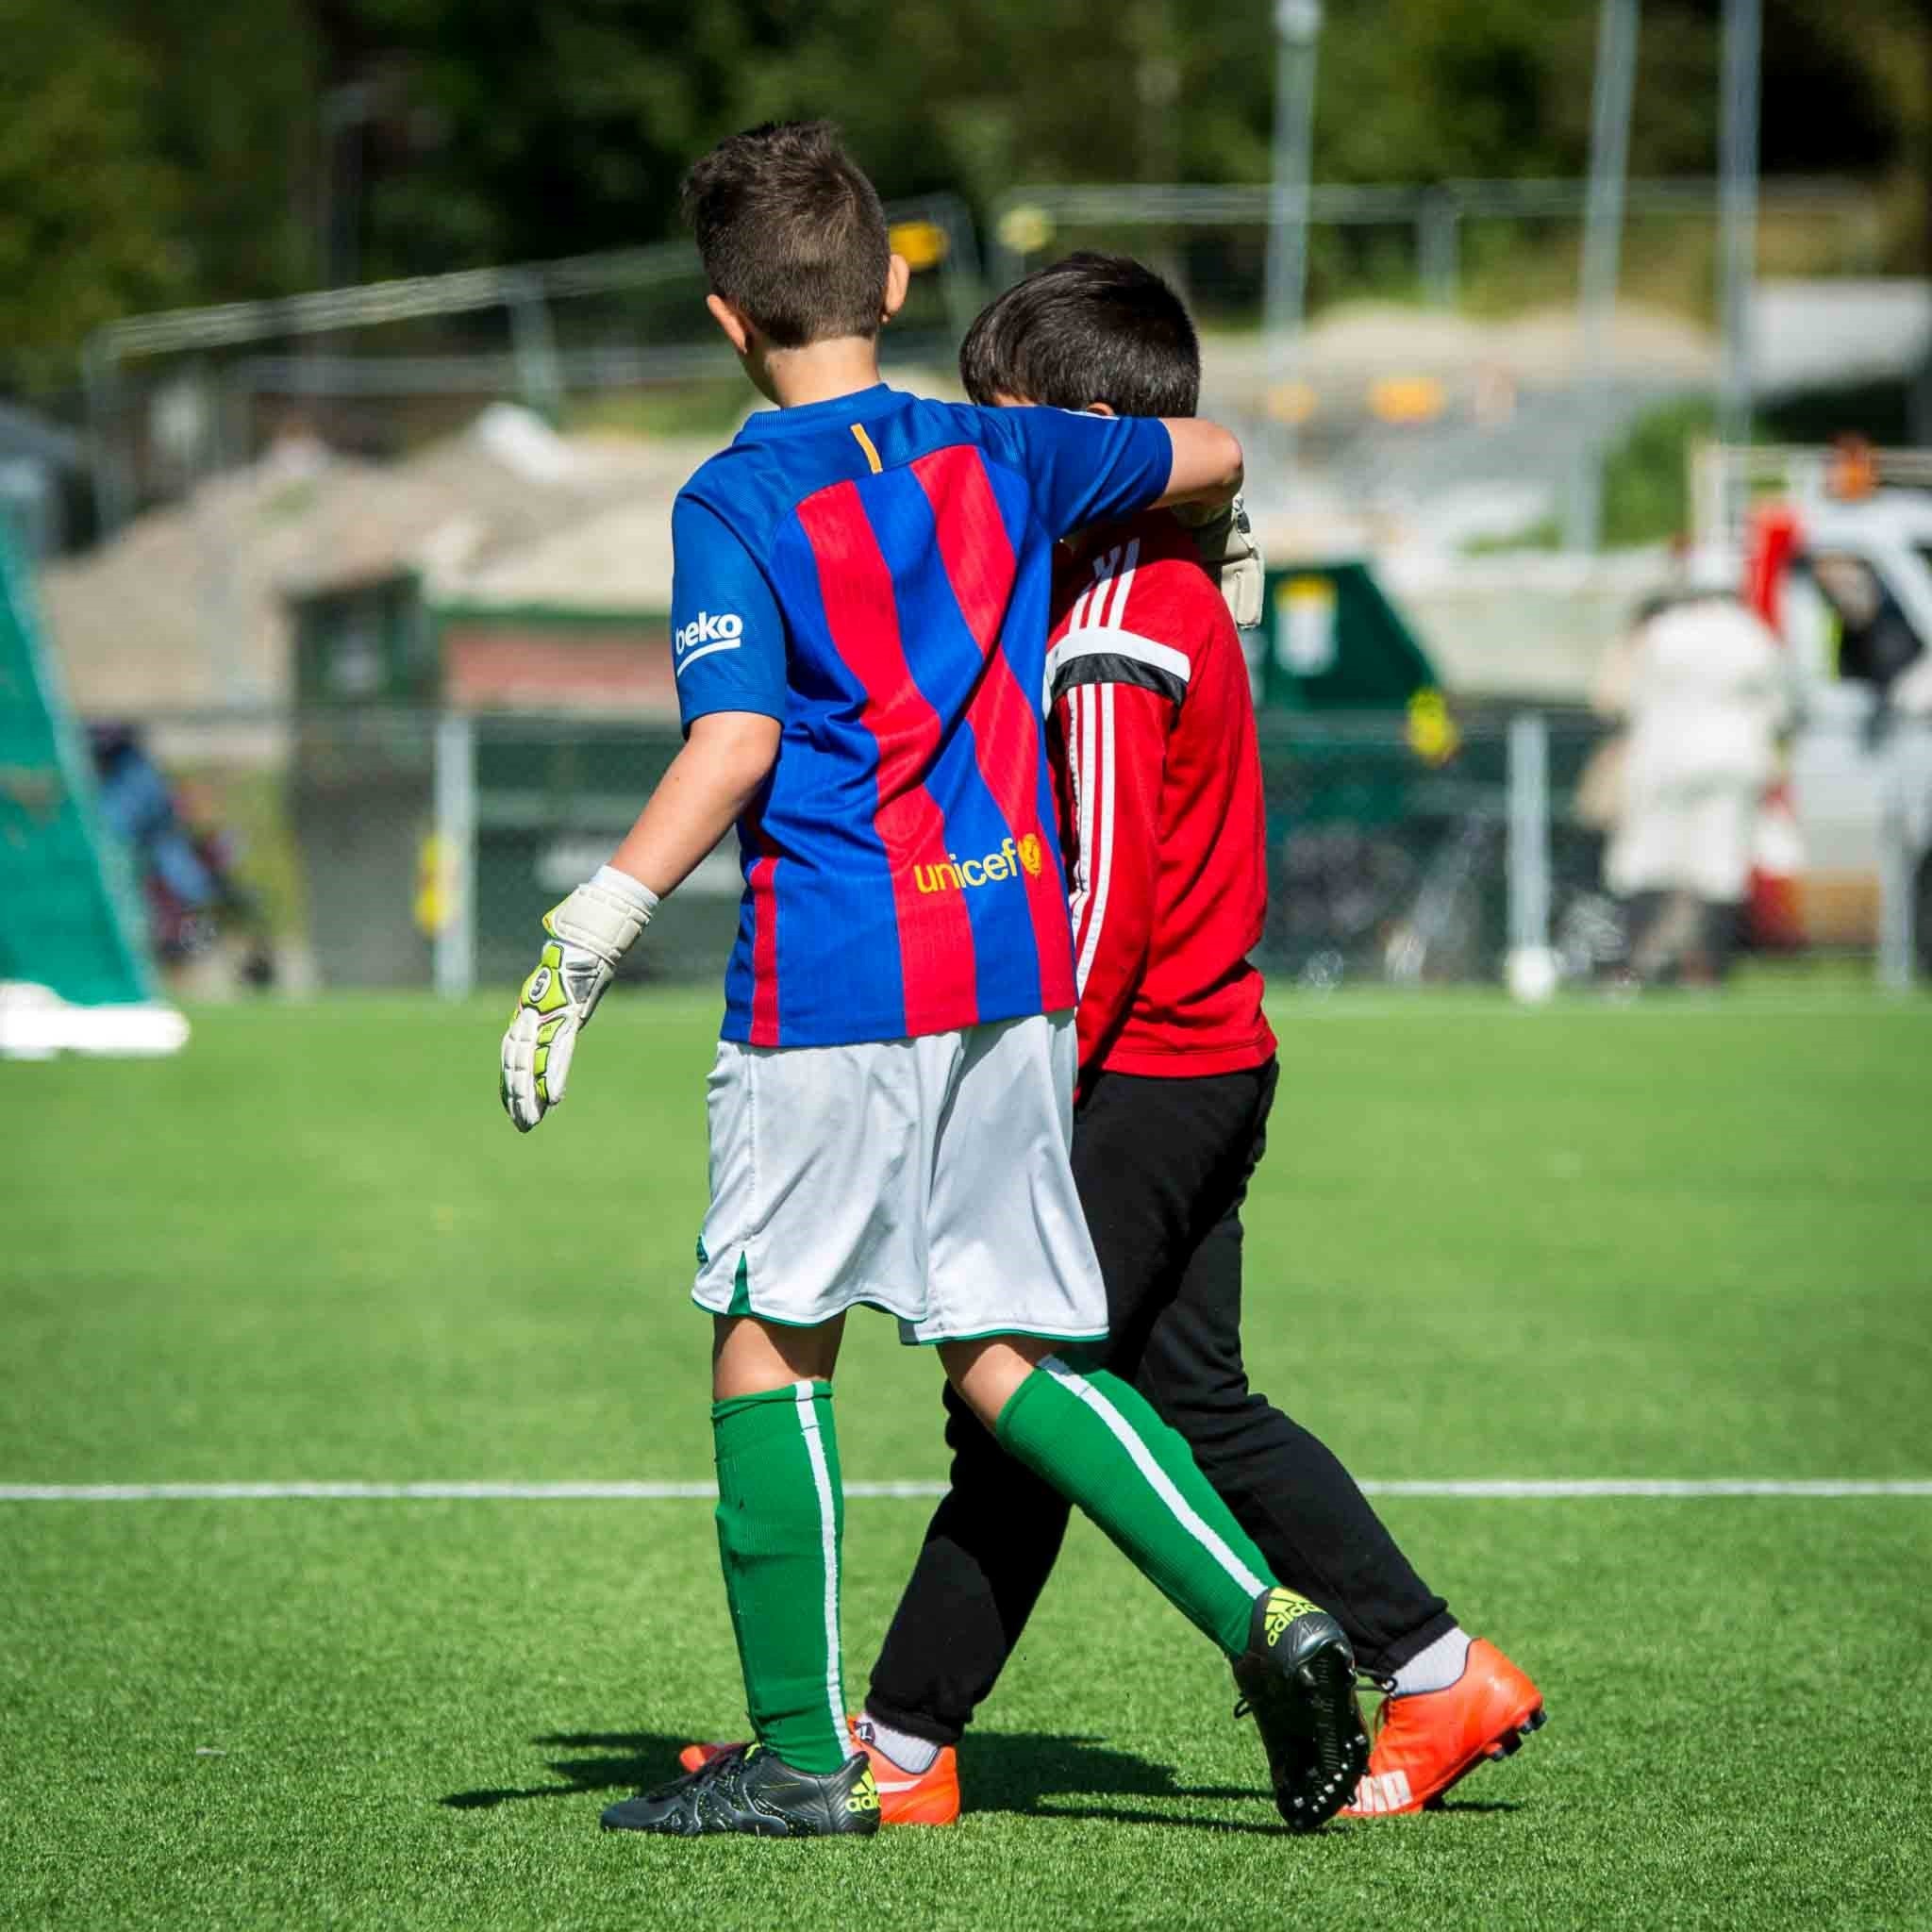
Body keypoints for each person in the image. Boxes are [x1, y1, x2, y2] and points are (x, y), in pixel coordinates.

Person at [497, 124, 1368, 1841]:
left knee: (770, 1338)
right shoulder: (1001, 451)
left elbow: (735, 735)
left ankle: (804, 1759)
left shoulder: (733, 497)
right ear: (896, 279)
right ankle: (1265, 1615)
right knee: (1004, 1349)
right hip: (1008, 970)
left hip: (830, 974)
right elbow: (1212, 444)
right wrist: (1227, 523)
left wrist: (589, 927)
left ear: (724, 323)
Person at [681, 253, 1545, 1824]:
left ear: (1085, 432)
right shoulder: (1164, 589)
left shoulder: (1107, 628)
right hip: (1213, 1052)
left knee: (1007, 1387)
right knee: (1187, 1397)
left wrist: (1018, 1078)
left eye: (1004, 429)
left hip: (1136, 1059)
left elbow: (1101, 904)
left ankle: (901, 1742)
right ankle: (1434, 1669)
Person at [1594, 556, 1791, 985]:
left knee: (1647, 859)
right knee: (1719, 864)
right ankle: (1706, 969)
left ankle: (1630, 966)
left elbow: (1629, 699)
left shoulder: (1664, 633)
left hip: (1664, 760)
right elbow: (1781, 708)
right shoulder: (1751, 635)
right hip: (1732, 763)